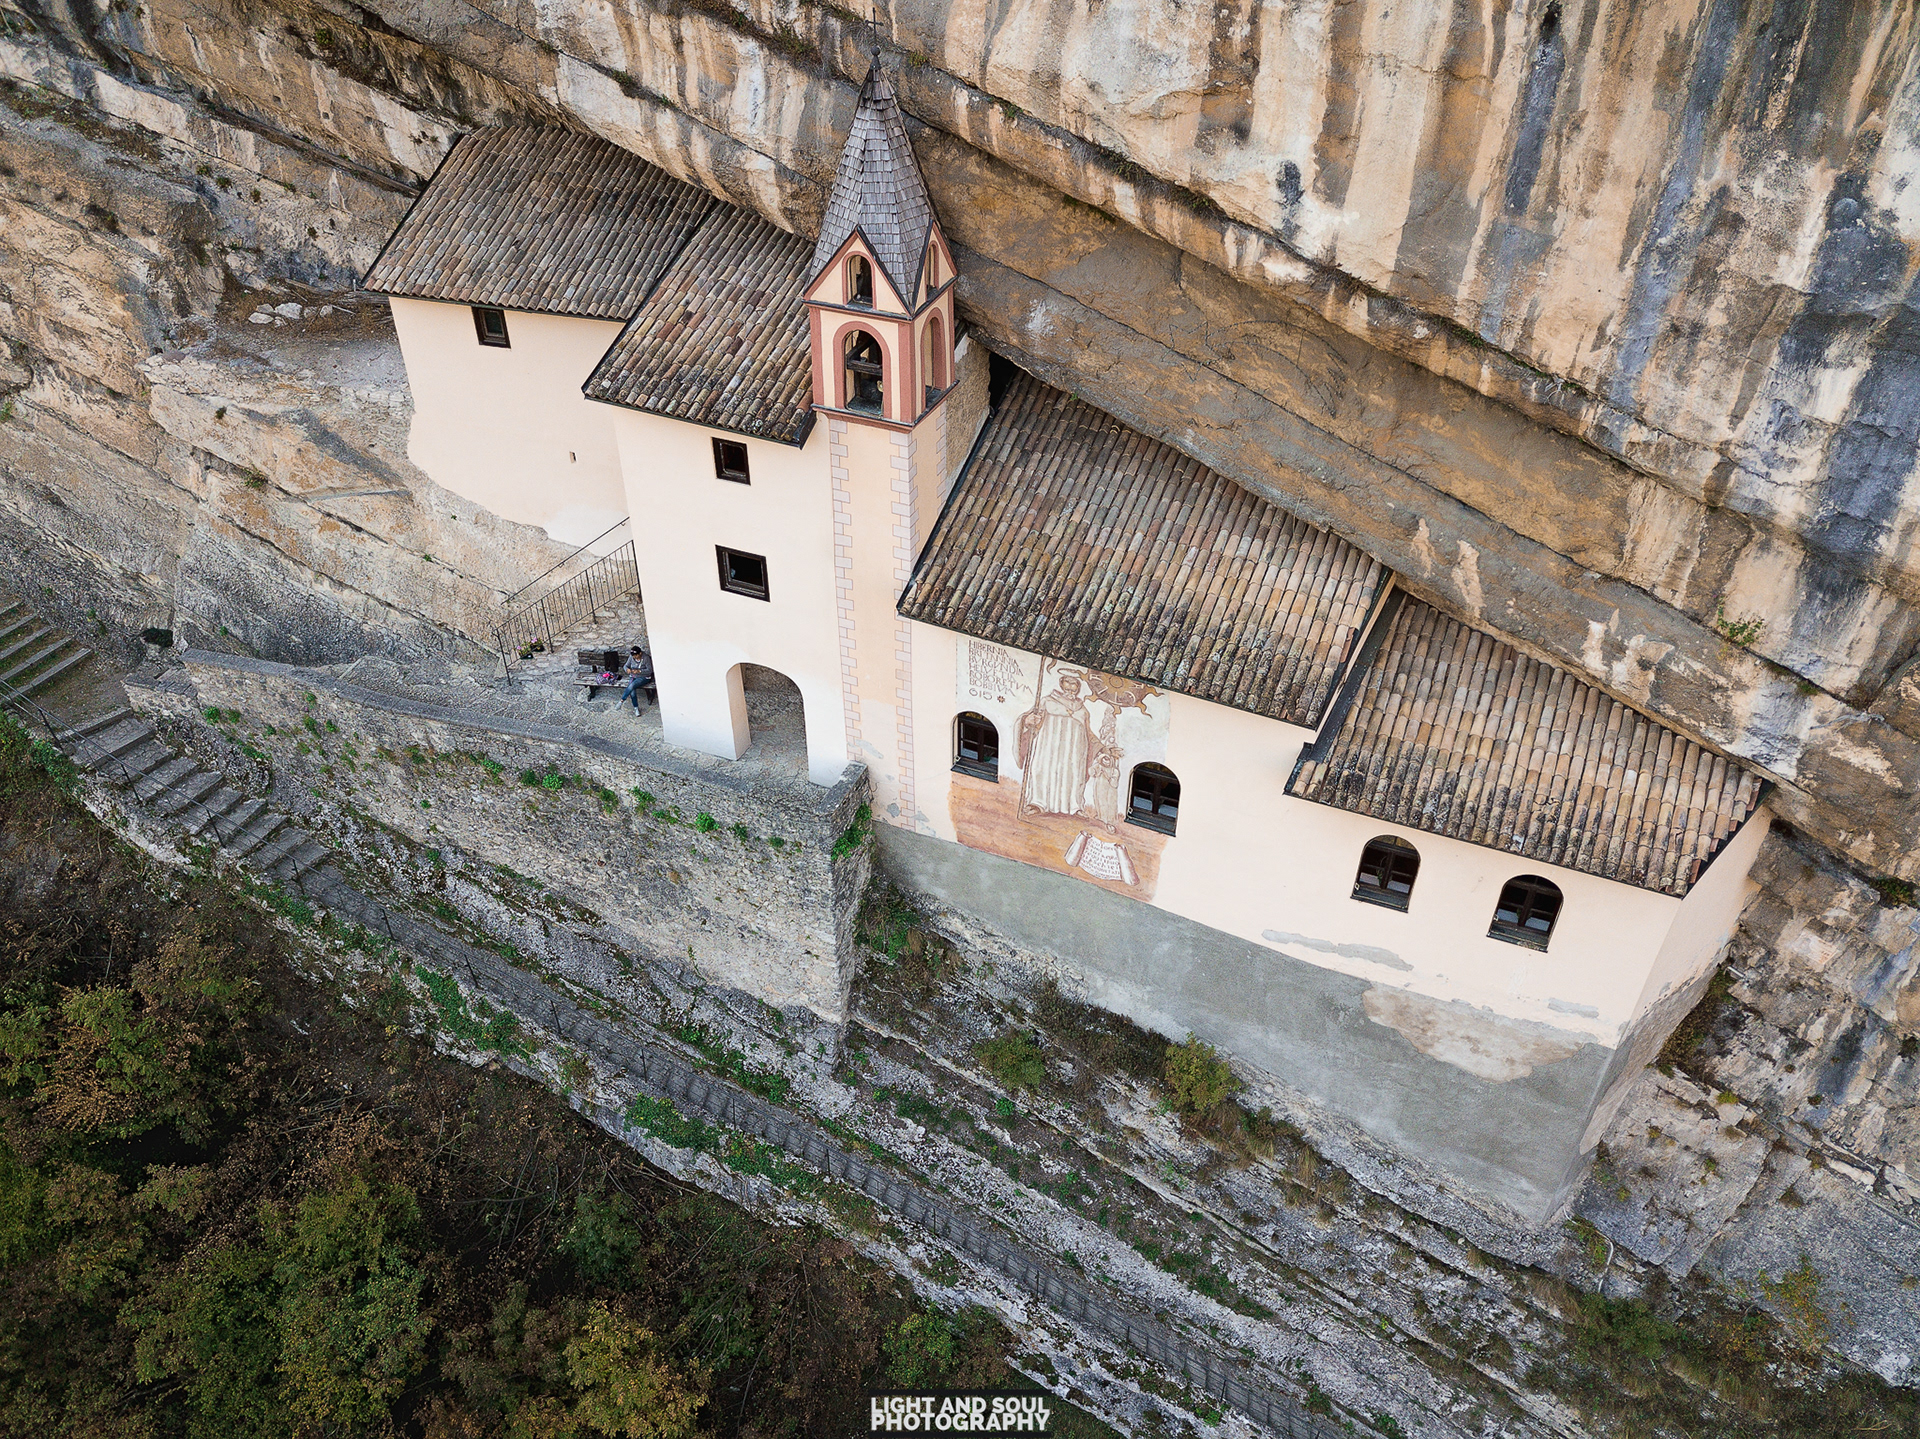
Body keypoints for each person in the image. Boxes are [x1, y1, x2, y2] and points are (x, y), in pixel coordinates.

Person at [619, 645, 653, 714]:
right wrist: (627, 670)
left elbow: (650, 670)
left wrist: (639, 671)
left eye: (636, 656)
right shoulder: (632, 657)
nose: (634, 657)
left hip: (644, 677)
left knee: (632, 685)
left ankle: (622, 700)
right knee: (632, 691)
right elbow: (625, 666)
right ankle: (636, 708)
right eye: (633, 656)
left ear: (640, 653)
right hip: (633, 676)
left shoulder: (646, 658)